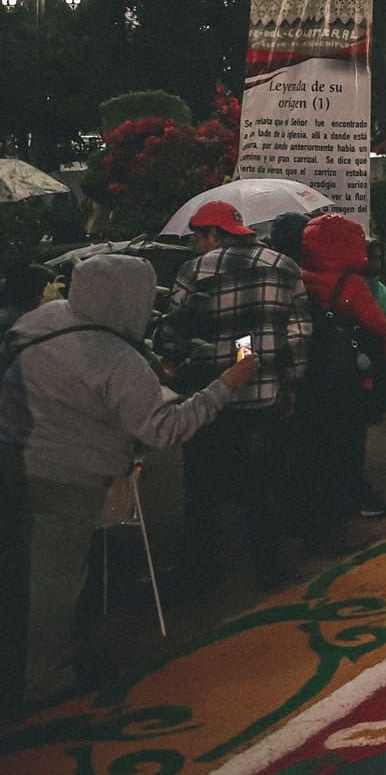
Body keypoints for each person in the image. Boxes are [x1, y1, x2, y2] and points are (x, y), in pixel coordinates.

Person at [1, 254, 257, 710]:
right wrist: (226, 384)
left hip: (12, 456)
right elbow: (165, 429)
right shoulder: (117, 360)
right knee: (55, 581)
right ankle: (43, 680)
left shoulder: (44, 320)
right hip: (68, 476)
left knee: (19, 568)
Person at [161, 199, 312, 588]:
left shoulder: (193, 271)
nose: (196, 245)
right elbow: (298, 334)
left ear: (214, 234)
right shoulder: (284, 266)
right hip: (264, 396)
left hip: (211, 398)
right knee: (264, 485)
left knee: (203, 488)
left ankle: (204, 571)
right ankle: (270, 569)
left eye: (198, 236)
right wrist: (287, 383)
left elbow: (175, 333)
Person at [297, 213, 386, 526]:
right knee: (350, 438)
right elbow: (379, 326)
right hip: (345, 372)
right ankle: (356, 498)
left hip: (310, 369)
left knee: (316, 441)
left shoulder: (300, 274)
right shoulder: (350, 283)